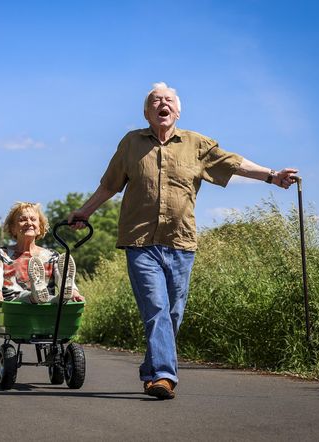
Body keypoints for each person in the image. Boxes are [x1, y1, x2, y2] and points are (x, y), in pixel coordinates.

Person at [68, 82, 297, 399]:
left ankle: (152, 372)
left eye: (168, 100)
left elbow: (233, 162)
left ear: (178, 109)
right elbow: (109, 185)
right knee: (157, 308)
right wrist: (84, 212)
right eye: (155, 100)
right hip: (140, 243)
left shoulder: (196, 144)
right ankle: (164, 376)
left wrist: (272, 176)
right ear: (147, 112)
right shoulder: (131, 143)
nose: (162, 103)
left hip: (180, 242)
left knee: (173, 314)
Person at [0, 202, 84, 307]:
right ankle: (35, 295)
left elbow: (59, 274)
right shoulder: (1, 253)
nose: (29, 223)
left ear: (39, 228)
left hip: (45, 304)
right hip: (14, 303)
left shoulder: (51, 255)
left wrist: (74, 292)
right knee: (28, 296)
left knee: (57, 290)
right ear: (13, 228)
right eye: (22, 219)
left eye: (33, 219)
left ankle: (62, 297)